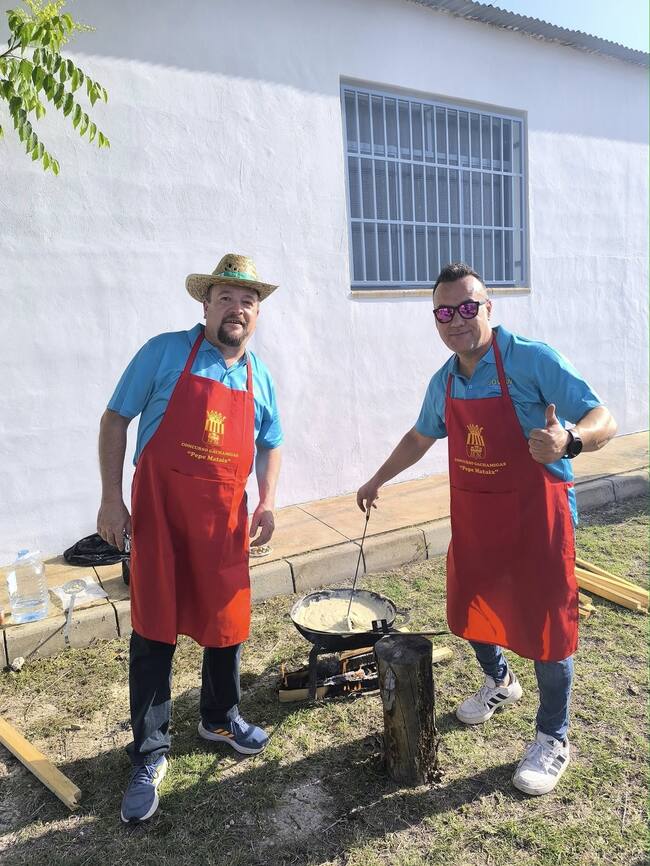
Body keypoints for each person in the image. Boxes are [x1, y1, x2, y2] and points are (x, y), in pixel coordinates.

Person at [357, 262, 617, 797]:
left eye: (468, 307)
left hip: (539, 515)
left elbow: (602, 418)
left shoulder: (532, 358)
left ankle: (553, 736)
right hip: (479, 518)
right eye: (445, 312)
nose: (457, 319)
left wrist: (568, 440)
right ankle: (500, 681)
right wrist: (377, 478)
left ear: (488, 307)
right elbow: (420, 435)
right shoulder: (445, 379)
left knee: (548, 629)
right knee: (469, 608)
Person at [97, 253, 283, 822]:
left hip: (225, 524)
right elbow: (114, 421)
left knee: (226, 626)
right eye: (225, 297)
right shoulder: (163, 353)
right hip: (162, 520)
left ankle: (220, 718)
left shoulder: (258, 374)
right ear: (205, 304)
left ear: (256, 313)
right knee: (155, 630)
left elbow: (271, 441)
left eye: (247, 300)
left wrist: (269, 500)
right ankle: (150, 752)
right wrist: (111, 498)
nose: (237, 309)